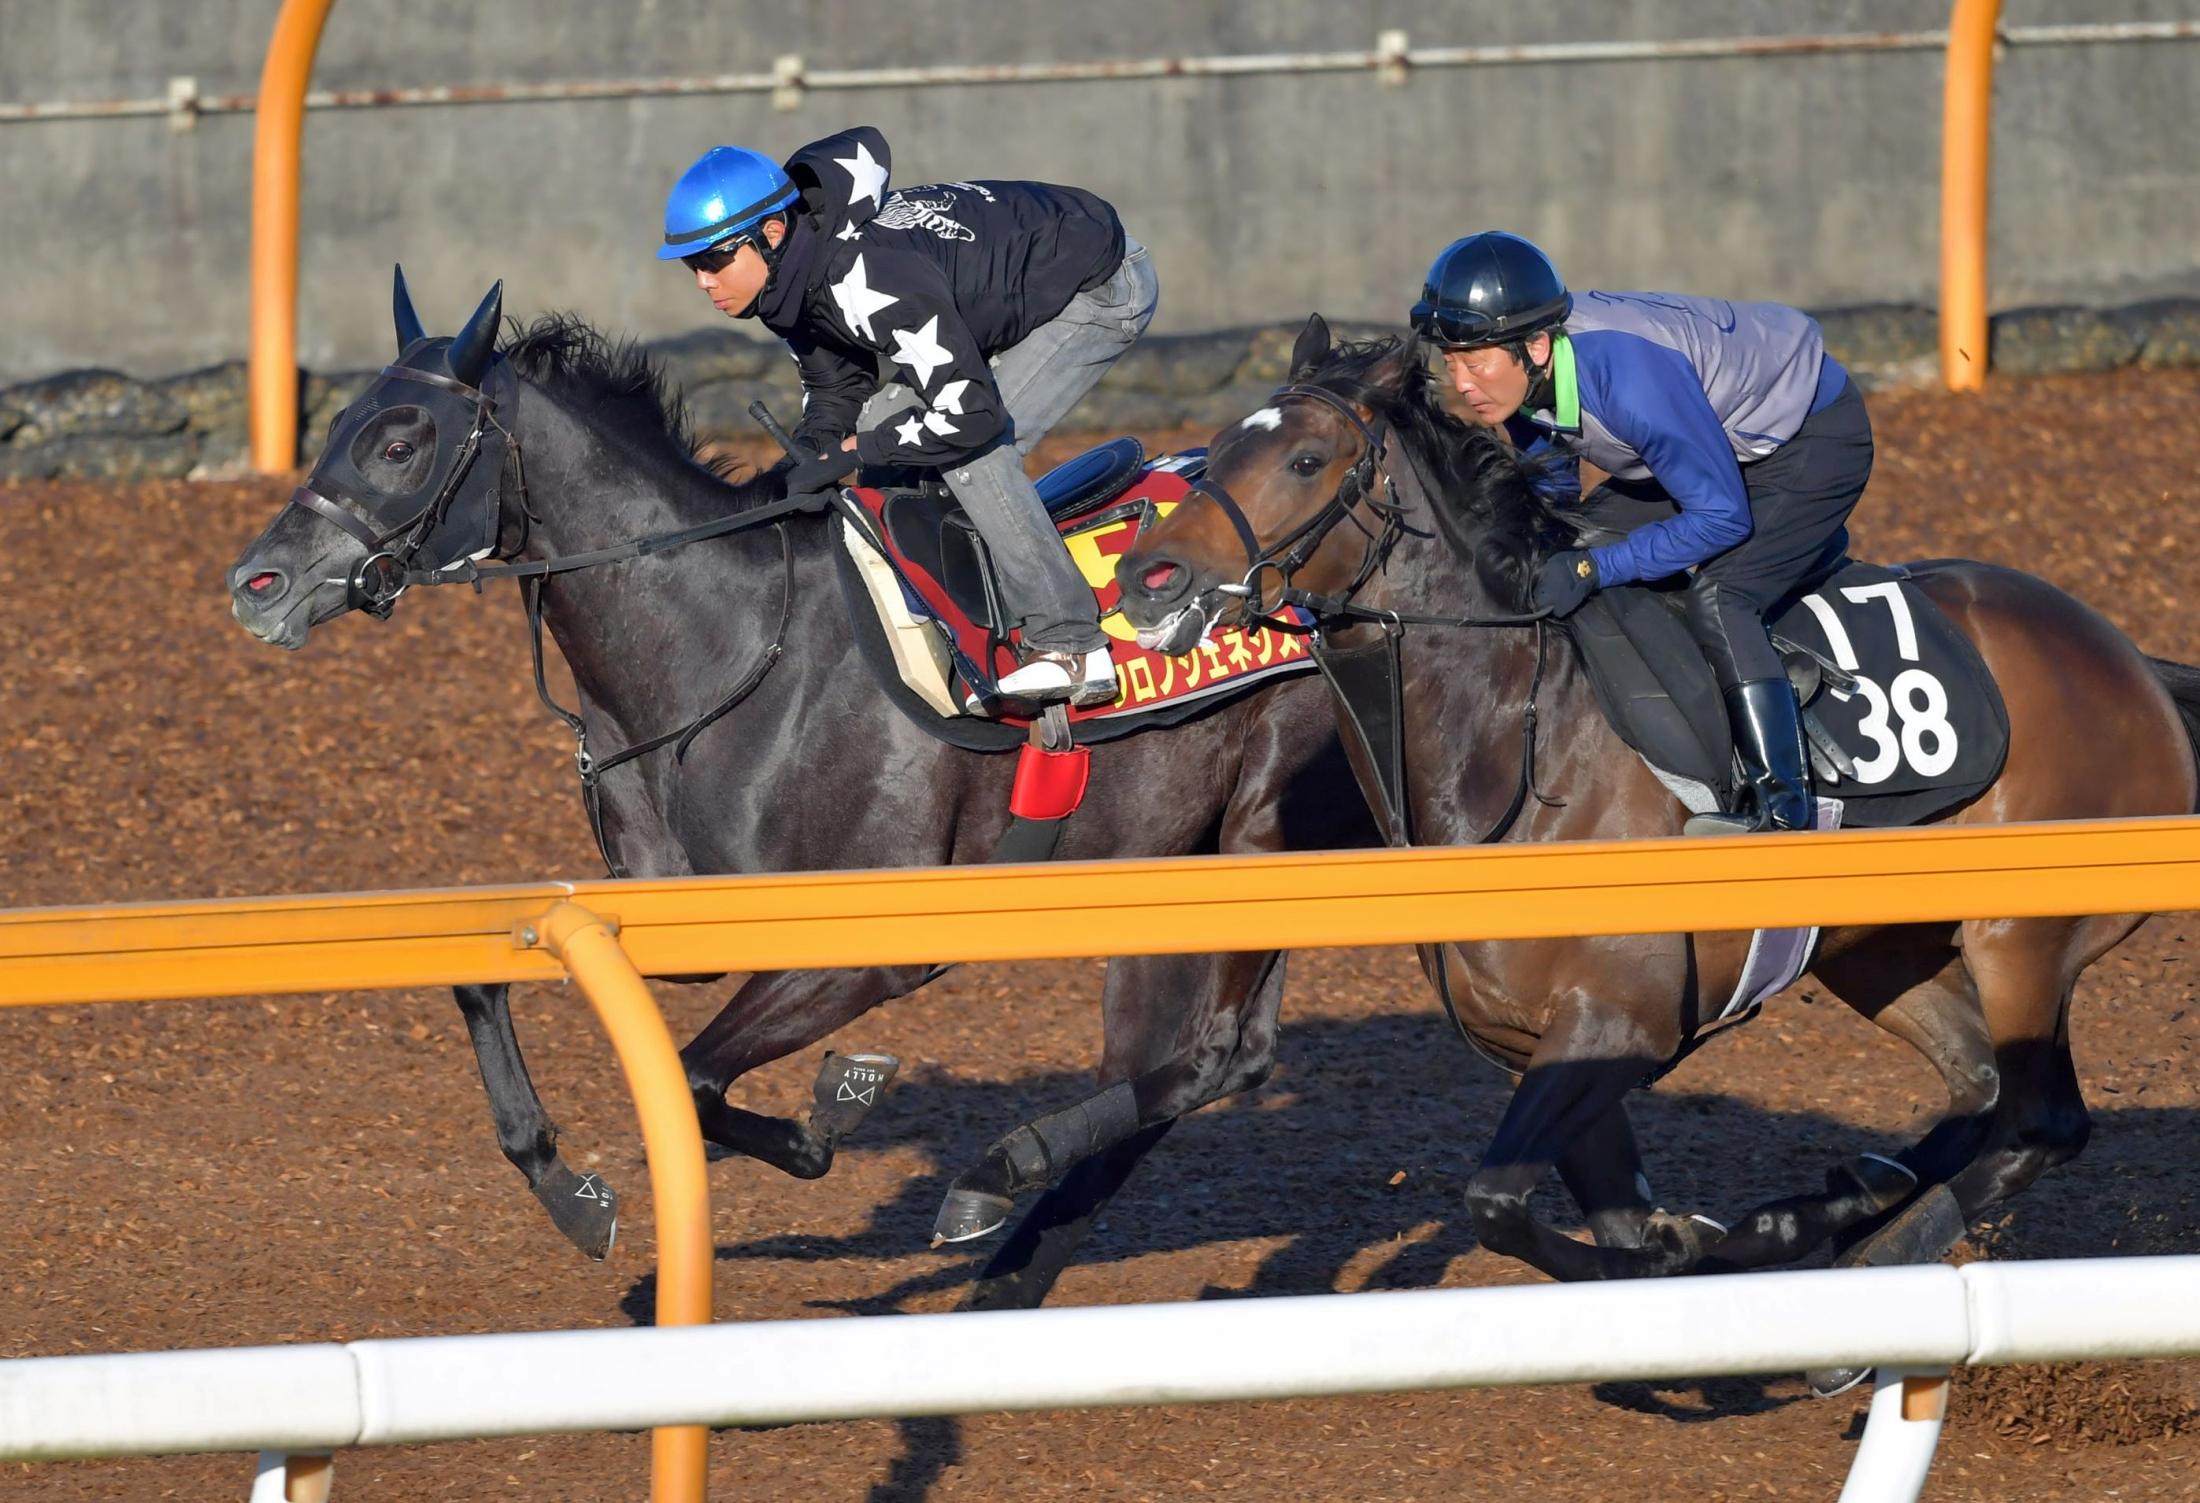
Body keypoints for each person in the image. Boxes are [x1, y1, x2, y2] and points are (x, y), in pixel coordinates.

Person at [657, 128, 1157, 707]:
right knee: (886, 418)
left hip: (1099, 289)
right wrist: (813, 452)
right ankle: (946, 624)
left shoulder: (864, 276)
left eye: (715, 259)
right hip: (1010, 294)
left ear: (771, 234)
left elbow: (970, 415)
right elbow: (836, 384)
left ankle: (1070, 644)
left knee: (970, 453)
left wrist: (853, 453)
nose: (703, 280)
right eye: (692, 264)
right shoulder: (785, 279)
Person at [1409, 231, 1873, 835]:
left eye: (1475, 362)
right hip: (1708, 436)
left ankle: (1782, 805)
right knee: (1580, 546)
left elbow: (1721, 516)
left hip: (1809, 437)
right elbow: (1554, 495)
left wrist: (1594, 569)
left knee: (1720, 597)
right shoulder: (1520, 377)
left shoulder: (1630, 383)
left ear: (1538, 347)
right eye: (1451, 363)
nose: (1463, 383)